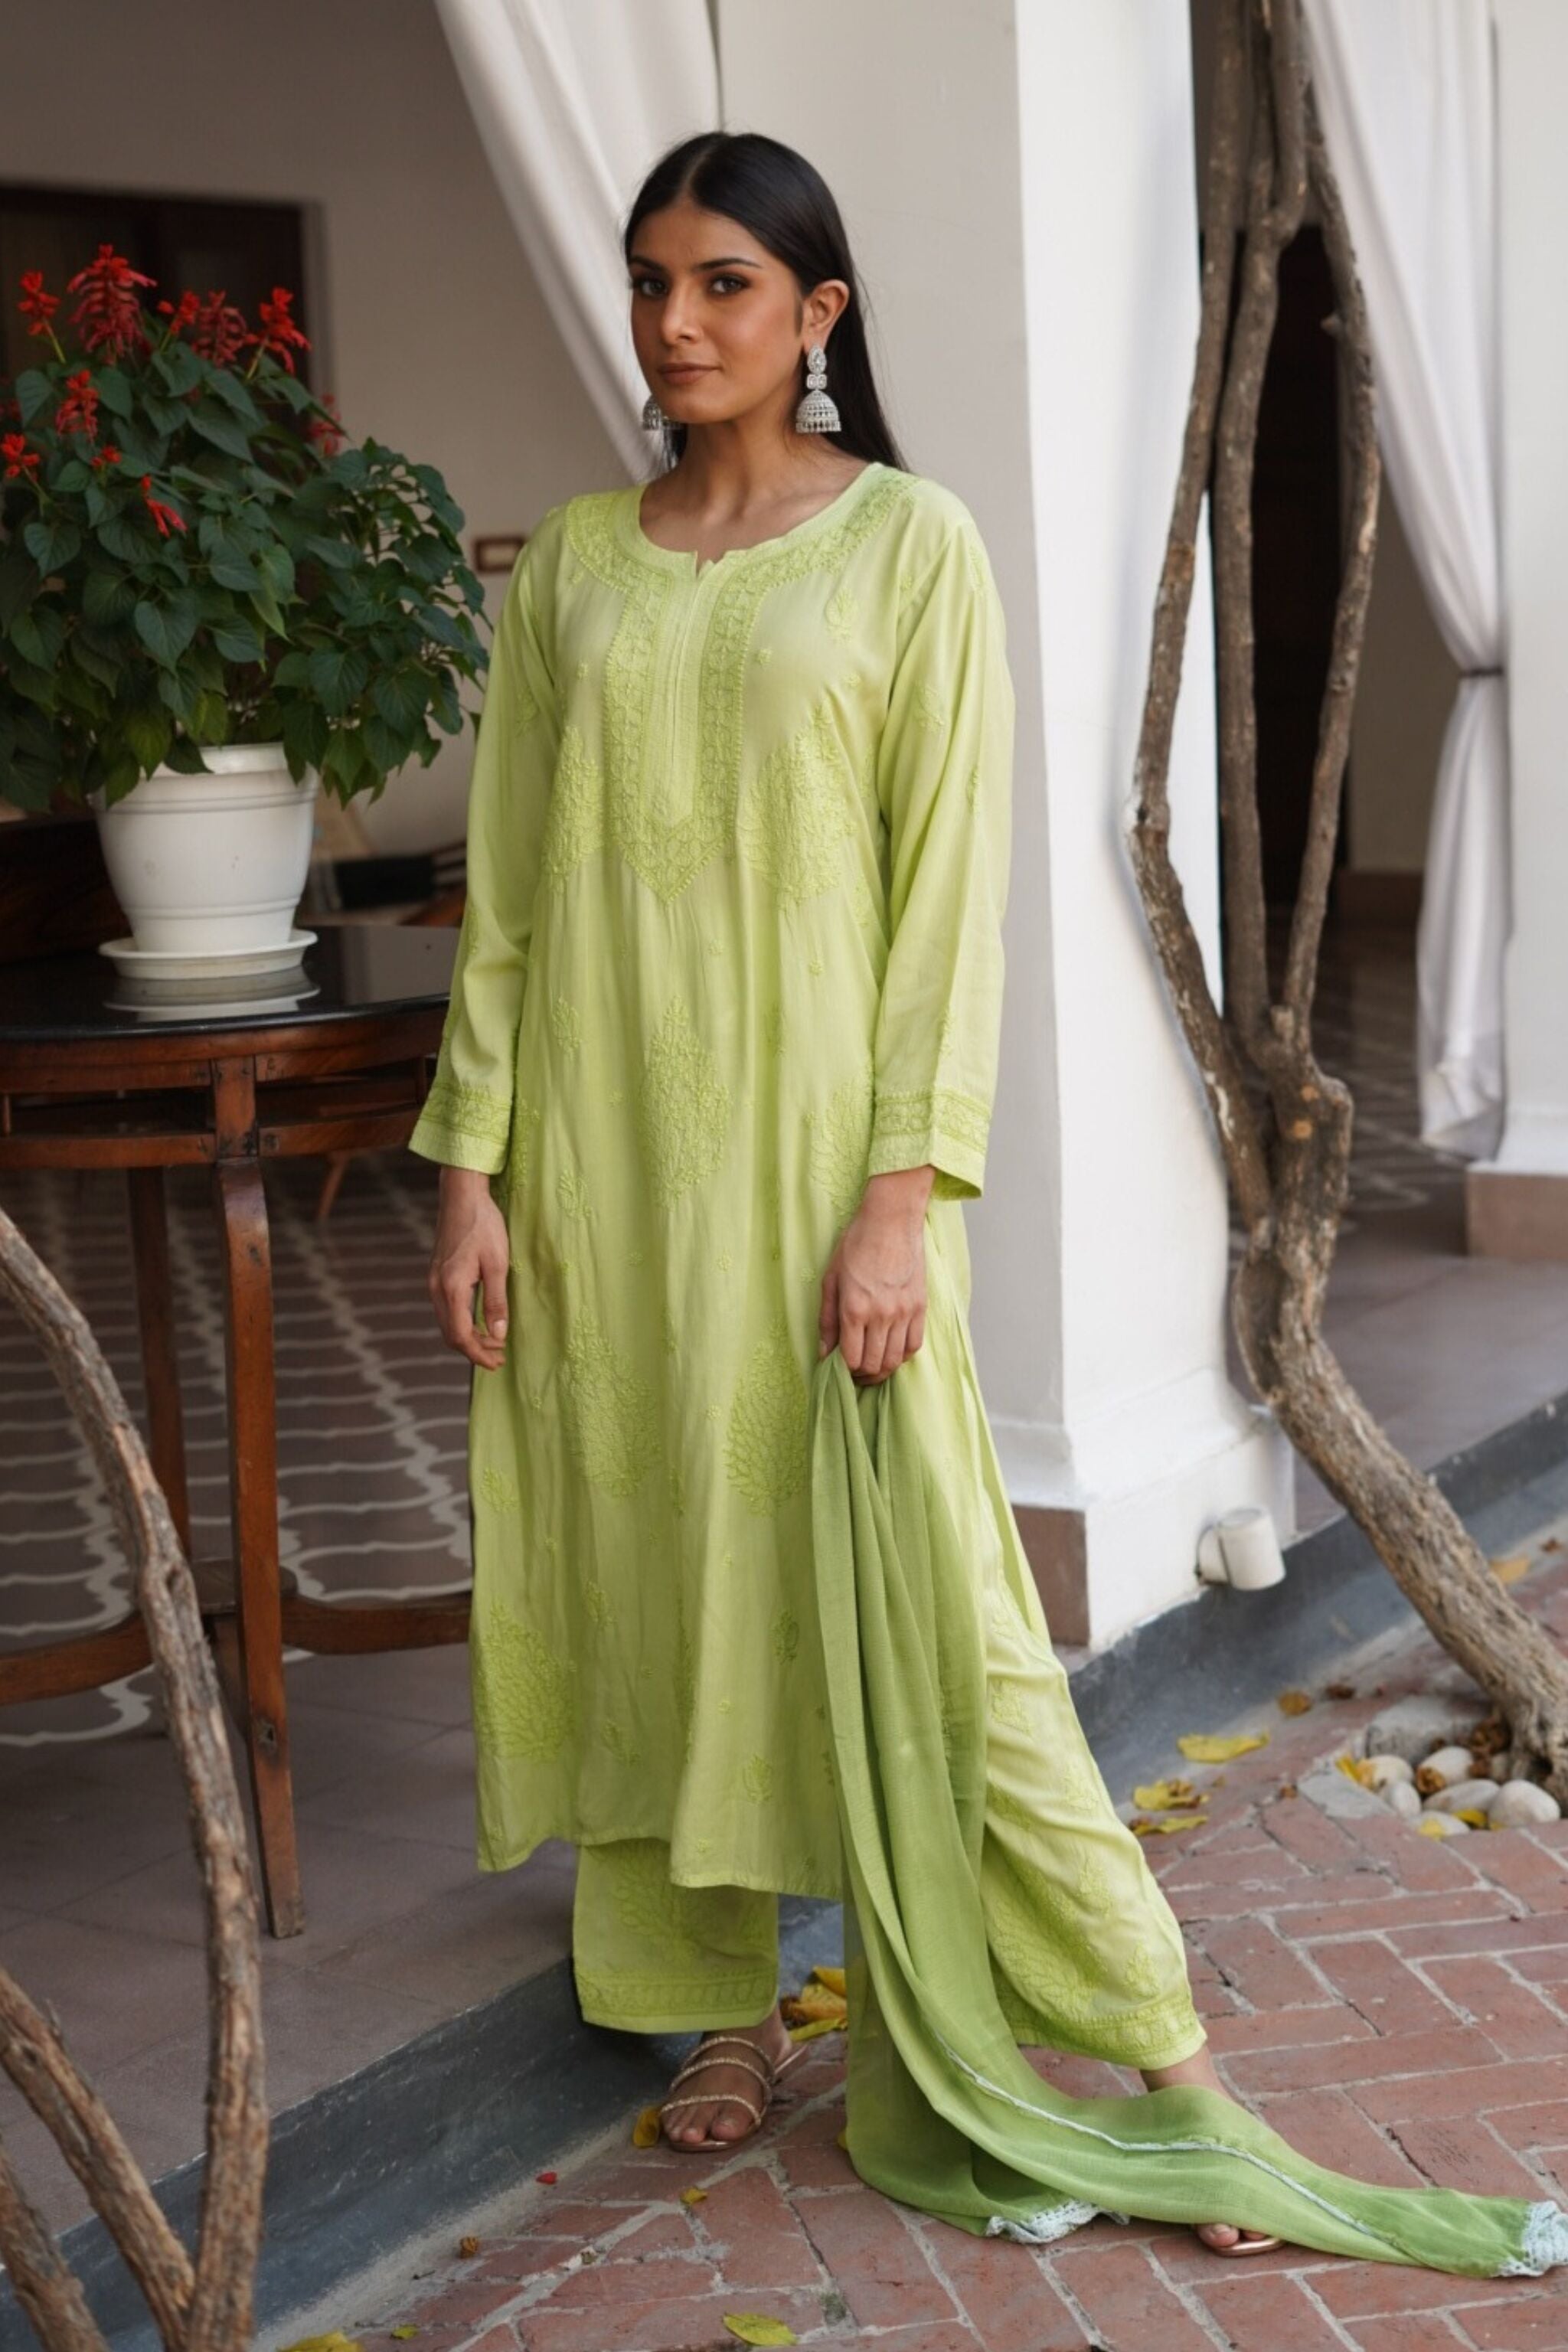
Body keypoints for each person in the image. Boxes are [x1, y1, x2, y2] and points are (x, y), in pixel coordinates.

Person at [412, 129, 1568, 2278]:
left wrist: (898, 1199)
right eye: (653, 279)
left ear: (820, 313)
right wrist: (474, 1172)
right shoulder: (570, 566)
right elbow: (516, 895)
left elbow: (949, 903)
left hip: (820, 1174)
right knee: (651, 1560)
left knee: (949, 1622)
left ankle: (1169, 2062)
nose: (677, 320)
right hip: (599, 1174)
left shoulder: (908, 547)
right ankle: (714, 2000)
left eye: (726, 283)